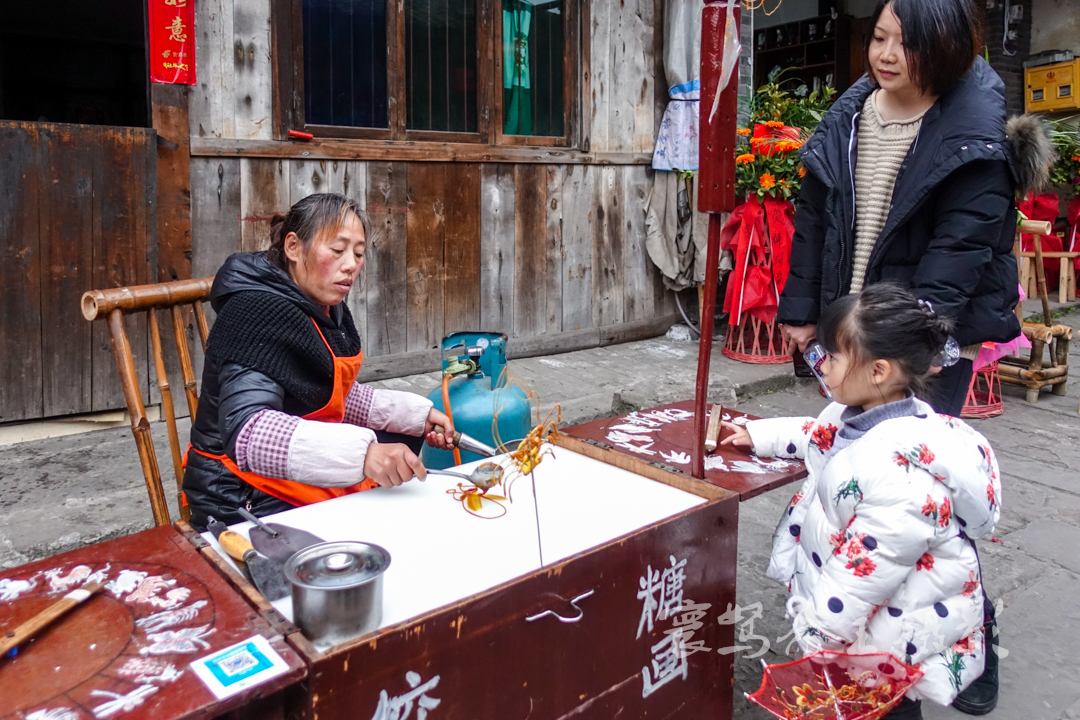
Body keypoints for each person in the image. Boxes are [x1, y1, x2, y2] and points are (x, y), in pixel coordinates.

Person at [723, 285, 1002, 720]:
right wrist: (763, 437)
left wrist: (818, 636)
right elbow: (815, 434)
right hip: (861, 624)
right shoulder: (855, 414)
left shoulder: (901, 479)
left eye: (832, 358)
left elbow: (862, 577)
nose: (822, 367)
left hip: (885, 635)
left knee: (885, 709)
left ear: (877, 371)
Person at [779, 0, 1050, 418]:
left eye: (907, 44)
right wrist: (801, 309)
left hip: (925, 335)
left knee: (911, 466)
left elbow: (960, 248)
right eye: (879, 38)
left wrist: (917, 339)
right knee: (849, 454)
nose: (886, 55)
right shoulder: (848, 119)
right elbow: (815, 218)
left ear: (947, 46)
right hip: (852, 325)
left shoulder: (973, 136)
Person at [184, 193, 455, 530]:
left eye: (358, 253)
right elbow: (248, 433)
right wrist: (364, 455)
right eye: (338, 250)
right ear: (293, 247)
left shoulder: (323, 304)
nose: (351, 264)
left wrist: (414, 415)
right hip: (238, 495)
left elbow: (327, 391)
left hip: (286, 475)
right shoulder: (254, 311)